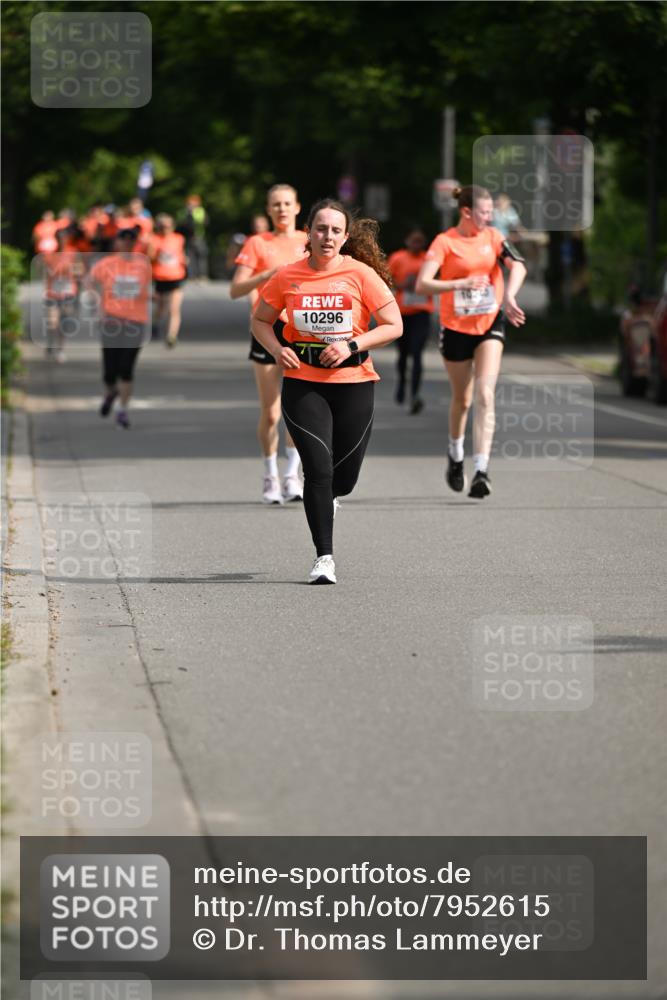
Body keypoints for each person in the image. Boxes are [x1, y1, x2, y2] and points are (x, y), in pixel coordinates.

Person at [251, 198, 402, 584]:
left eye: (336, 230)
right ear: (309, 232)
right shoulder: (288, 276)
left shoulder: (360, 274)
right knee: (317, 471)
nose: (327, 236)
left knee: (343, 480)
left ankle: (332, 498)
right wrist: (277, 348)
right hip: (304, 383)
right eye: (321, 229)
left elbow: (393, 325)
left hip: (354, 383)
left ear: (345, 236)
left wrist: (353, 345)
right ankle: (324, 558)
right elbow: (261, 320)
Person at [416, 184, 527, 499]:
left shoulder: (493, 237)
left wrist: (512, 296)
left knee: (485, 393)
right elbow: (424, 283)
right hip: (455, 328)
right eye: (485, 212)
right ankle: (455, 453)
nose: (490, 216)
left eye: (491, 211)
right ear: (466, 212)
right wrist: (460, 283)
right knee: (462, 400)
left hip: (490, 322)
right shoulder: (445, 242)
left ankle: (481, 470)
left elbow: (517, 264)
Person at [231, 183, 308, 505]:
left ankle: (292, 474)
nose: (282, 209)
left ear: (297, 207)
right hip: (266, 327)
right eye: (276, 204)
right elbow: (235, 290)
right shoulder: (257, 243)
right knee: (272, 411)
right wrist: (268, 275)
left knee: (297, 409)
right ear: (268, 209)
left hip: (301, 330)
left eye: (287, 203)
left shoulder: (309, 240)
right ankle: (269, 474)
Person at [87, 227, 152, 429]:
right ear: (117, 243)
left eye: (131, 241)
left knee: (126, 368)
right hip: (111, 321)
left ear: (135, 243)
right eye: (123, 240)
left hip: (135, 321)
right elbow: (89, 283)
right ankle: (111, 392)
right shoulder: (106, 264)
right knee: (109, 371)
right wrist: (97, 302)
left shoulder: (143, 266)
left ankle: (122, 410)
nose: (127, 244)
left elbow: (145, 289)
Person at [387, 228, 434, 414]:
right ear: (407, 241)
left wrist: (423, 286)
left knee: (417, 353)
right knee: (403, 354)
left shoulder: (429, 260)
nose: (417, 245)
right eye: (414, 241)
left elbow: (437, 280)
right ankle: (401, 384)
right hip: (402, 313)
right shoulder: (398, 258)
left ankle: (415, 394)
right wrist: (401, 286)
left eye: (420, 241)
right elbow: (386, 279)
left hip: (422, 313)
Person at [41, 227, 83, 362]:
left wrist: (72, 271)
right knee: (53, 323)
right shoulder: (50, 255)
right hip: (53, 292)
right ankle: (50, 343)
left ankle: (60, 349)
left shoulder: (73, 253)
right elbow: (45, 273)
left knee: (63, 323)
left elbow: (80, 270)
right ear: (56, 239)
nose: (61, 240)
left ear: (67, 239)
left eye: (64, 237)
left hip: (68, 292)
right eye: (59, 237)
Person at [149, 213, 187, 347]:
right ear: (158, 227)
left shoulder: (179, 238)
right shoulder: (154, 239)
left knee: (174, 308)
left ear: (172, 226)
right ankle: (154, 324)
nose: (165, 229)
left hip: (176, 277)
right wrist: (156, 253)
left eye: (168, 226)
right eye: (162, 226)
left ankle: (171, 336)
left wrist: (184, 262)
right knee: (160, 308)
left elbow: (180, 255)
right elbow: (149, 258)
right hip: (159, 277)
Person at [181, 195, 209, 280]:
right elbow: (181, 224)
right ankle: (191, 275)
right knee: (190, 257)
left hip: (198, 236)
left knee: (201, 256)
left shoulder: (200, 211)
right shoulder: (184, 212)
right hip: (187, 237)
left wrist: (191, 214)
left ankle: (202, 275)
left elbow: (204, 222)